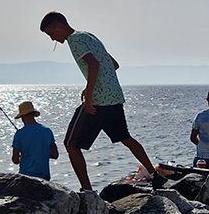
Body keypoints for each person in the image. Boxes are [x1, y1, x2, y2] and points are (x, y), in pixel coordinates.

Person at [39, 11, 159, 191]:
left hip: (99, 101)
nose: (52, 39)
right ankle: (155, 175)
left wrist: (89, 94)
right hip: (114, 97)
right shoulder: (89, 36)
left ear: (58, 26)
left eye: (51, 34)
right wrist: (93, 84)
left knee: (71, 145)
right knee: (125, 138)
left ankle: (87, 190)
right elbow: (113, 64)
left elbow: (94, 65)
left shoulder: (74, 40)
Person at [10, 100, 59, 180]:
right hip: (44, 176)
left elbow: (15, 160)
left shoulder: (19, 134)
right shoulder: (47, 131)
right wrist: (41, 153)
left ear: (22, 117)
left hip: (25, 176)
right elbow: (55, 155)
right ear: (33, 114)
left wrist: (23, 156)